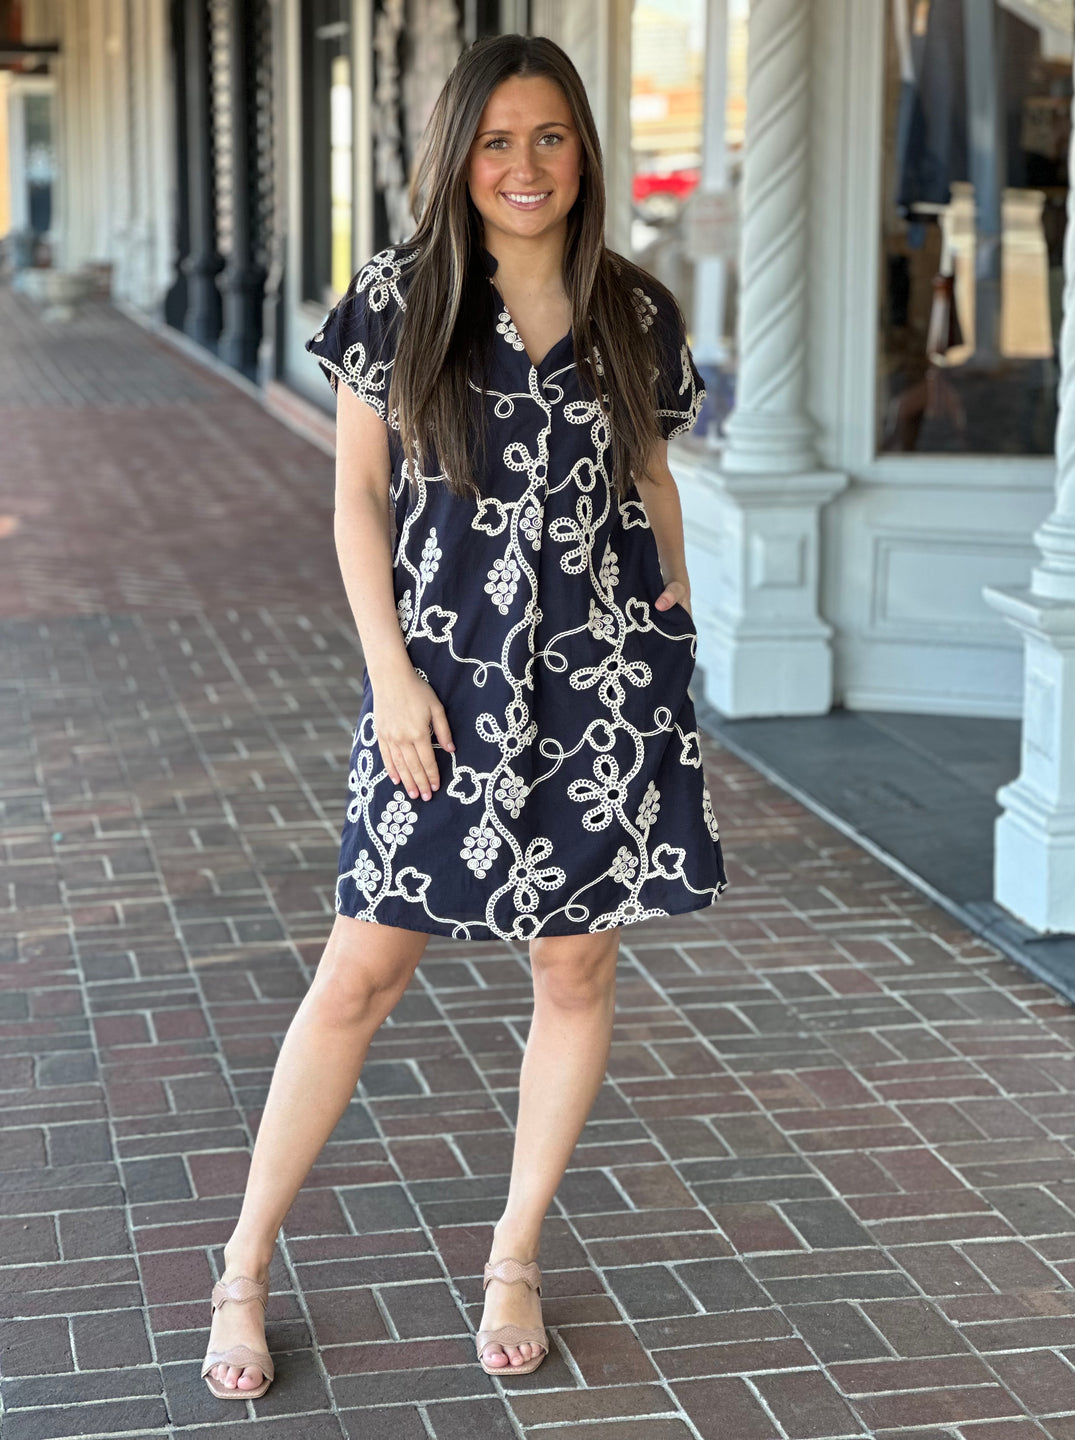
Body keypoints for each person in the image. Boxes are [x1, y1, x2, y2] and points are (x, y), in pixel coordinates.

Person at [200, 31, 727, 1400]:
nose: (525, 164)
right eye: (497, 140)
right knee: (361, 973)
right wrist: (389, 676)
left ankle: (513, 1252)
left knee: (577, 973)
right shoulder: (398, 301)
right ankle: (245, 1264)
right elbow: (357, 500)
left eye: (549, 136)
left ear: (583, 152)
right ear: (459, 157)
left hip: (604, 693)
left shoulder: (637, 313)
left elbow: (653, 477)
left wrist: (671, 615)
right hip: (439, 688)